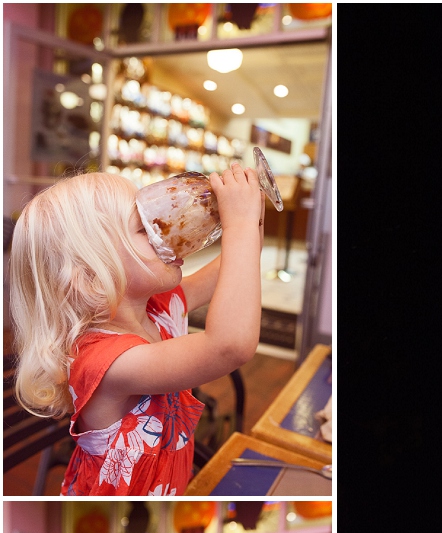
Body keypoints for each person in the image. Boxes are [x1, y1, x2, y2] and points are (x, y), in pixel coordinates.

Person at [8, 165, 265, 496]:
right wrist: (239, 225)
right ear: (91, 275)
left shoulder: (157, 306)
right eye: (144, 228)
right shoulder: (108, 363)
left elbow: (238, 263)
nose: (166, 231)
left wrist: (250, 214)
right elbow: (230, 345)